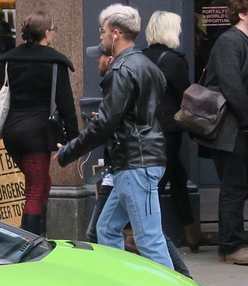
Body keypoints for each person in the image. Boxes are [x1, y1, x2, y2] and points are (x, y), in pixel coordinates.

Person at [57, 5, 172, 270]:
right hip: (138, 160)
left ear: (116, 33)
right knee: (106, 229)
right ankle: (121, 285)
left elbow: (105, 125)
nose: (101, 37)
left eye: (103, 31)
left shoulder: (121, 70)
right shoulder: (147, 66)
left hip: (135, 162)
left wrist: (68, 151)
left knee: (149, 240)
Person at [0, 11, 79, 235]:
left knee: (41, 183)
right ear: (46, 33)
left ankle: (41, 234)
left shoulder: (9, 60)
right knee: (34, 191)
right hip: (38, 134)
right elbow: (66, 105)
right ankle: (31, 240)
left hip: (12, 134)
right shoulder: (55, 62)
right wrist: (75, 139)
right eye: (52, 30)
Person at [197, 0, 248, 265]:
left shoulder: (243, 43)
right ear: (242, 14)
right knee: (234, 187)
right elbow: (231, 86)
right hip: (230, 129)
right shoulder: (230, 41)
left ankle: (231, 246)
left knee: (237, 187)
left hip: (238, 128)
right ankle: (232, 246)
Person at [142, 11, 204, 253]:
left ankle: (191, 231)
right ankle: (140, 237)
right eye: (177, 28)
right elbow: (185, 98)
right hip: (167, 130)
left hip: (145, 127)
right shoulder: (174, 60)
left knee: (177, 175)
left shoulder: (140, 57)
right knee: (158, 182)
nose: (180, 32)